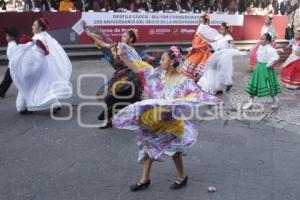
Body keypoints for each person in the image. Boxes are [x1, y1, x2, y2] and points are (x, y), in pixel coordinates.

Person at [113, 46, 221, 192]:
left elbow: (197, 94)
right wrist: (123, 56)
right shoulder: (159, 73)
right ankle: (144, 180)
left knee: (174, 151)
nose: (160, 62)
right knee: (147, 147)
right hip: (154, 119)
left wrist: (212, 100)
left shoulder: (184, 81)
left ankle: (182, 176)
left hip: (170, 123)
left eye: (163, 59)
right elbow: (138, 70)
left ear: (171, 62)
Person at [82, 21, 152, 128]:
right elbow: (102, 44)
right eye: (122, 35)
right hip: (121, 77)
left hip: (133, 78)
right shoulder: (119, 46)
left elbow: (141, 65)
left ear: (131, 39)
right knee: (110, 97)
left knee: (130, 98)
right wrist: (90, 34)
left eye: (125, 36)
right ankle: (110, 121)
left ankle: (135, 118)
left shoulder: (135, 52)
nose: (122, 37)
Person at [8, 18, 72, 114]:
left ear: (40, 27)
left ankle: (23, 106)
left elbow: (35, 53)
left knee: (28, 84)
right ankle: (53, 104)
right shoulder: (46, 36)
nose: (32, 27)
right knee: (43, 85)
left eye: (34, 25)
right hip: (45, 66)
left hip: (37, 66)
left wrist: (19, 52)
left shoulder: (38, 38)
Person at [197, 22, 244, 95]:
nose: (220, 30)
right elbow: (211, 40)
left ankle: (223, 86)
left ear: (226, 30)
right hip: (217, 55)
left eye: (222, 29)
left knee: (222, 73)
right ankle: (214, 86)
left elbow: (233, 46)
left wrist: (239, 51)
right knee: (212, 69)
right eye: (220, 28)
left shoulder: (229, 37)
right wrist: (201, 35)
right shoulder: (219, 36)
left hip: (224, 57)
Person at [243, 33, 281, 110]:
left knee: (269, 85)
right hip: (259, 67)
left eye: (263, 39)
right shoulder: (260, 46)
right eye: (261, 38)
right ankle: (250, 102)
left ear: (267, 41)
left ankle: (275, 100)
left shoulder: (270, 49)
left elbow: (275, 57)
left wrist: (268, 65)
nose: (261, 40)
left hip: (266, 68)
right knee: (254, 84)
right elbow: (258, 55)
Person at [180, 14, 220, 81]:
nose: (201, 22)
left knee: (198, 65)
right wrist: (196, 45)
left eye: (202, 21)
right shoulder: (201, 28)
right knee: (195, 64)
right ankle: (193, 78)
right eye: (200, 21)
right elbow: (197, 38)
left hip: (202, 50)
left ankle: (195, 78)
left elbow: (206, 39)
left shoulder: (206, 28)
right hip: (199, 49)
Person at [0, 28, 19, 98]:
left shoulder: (13, 46)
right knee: (7, 79)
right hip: (11, 65)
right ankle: (1, 91)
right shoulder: (11, 44)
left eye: (7, 36)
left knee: (7, 79)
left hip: (13, 66)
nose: (6, 37)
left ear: (12, 37)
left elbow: (14, 57)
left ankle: (1, 92)